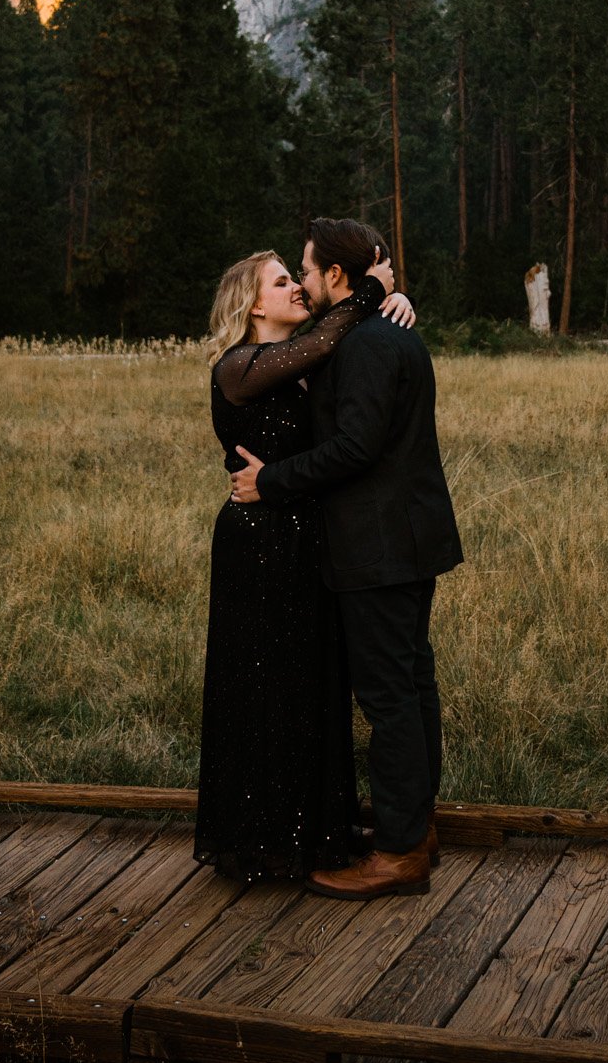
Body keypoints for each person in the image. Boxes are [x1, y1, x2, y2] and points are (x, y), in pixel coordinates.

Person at [230, 216, 463, 901]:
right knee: (412, 686)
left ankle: (398, 854)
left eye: (305, 271)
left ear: (336, 275)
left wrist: (269, 480)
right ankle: (413, 828)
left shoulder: (364, 345)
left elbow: (356, 447)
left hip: (378, 546)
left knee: (390, 697)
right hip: (409, 539)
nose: (301, 283)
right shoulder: (389, 333)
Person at [196, 246, 414, 880]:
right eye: (282, 281)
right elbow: (321, 344)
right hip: (257, 547)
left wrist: (391, 307)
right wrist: (370, 292)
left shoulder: (299, 369)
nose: (297, 287)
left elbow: (335, 354)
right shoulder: (237, 368)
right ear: (254, 303)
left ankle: (308, 830)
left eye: (298, 276)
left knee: (308, 683)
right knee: (260, 685)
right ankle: (260, 839)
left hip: (305, 542)